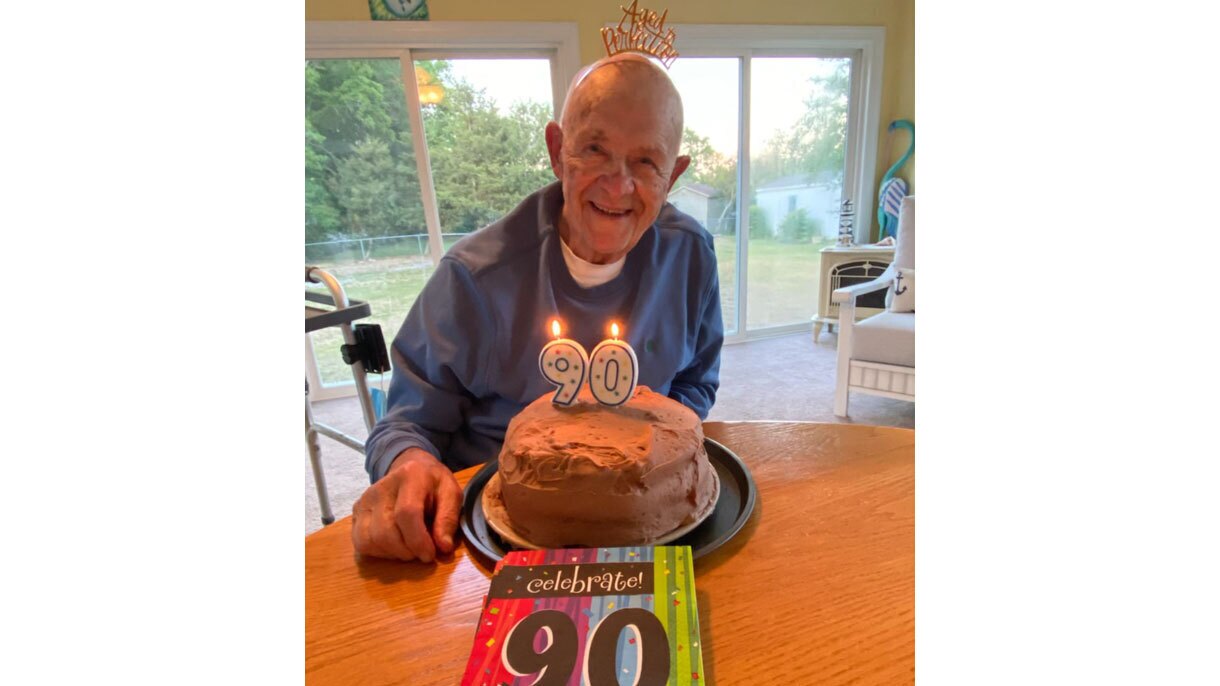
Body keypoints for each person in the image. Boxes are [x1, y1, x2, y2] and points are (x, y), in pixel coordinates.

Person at [351, 53, 724, 562]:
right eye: (595, 149)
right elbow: (404, 425)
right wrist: (409, 465)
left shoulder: (691, 256)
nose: (619, 185)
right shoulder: (474, 278)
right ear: (556, 149)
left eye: (646, 161)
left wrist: (656, 462)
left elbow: (696, 381)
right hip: (495, 542)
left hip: (656, 533)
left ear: (673, 175)